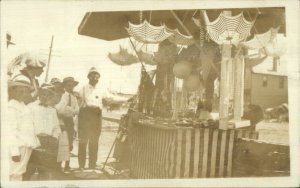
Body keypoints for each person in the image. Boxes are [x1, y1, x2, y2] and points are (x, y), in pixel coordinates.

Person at [24, 83, 62, 180]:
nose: (46, 97)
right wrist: (35, 141)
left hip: (48, 142)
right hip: (34, 141)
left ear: (52, 97)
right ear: (39, 94)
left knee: (46, 170)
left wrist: (54, 137)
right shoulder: (30, 107)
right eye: (44, 94)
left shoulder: (52, 110)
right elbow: (27, 126)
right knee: (28, 170)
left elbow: (56, 127)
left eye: (49, 95)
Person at [7, 75, 40, 181]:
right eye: (19, 91)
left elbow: (30, 127)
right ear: (13, 91)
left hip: (27, 145)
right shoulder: (11, 108)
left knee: (20, 173)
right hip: (17, 146)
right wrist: (14, 151)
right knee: (13, 173)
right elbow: (10, 131)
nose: (22, 94)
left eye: (25, 91)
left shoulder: (23, 106)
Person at [78, 67, 102, 170]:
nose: (95, 78)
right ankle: (81, 165)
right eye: (93, 76)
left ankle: (92, 165)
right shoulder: (82, 89)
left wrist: (128, 99)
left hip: (96, 118)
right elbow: (78, 103)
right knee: (83, 142)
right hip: (85, 117)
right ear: (89, 77)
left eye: (97, 76)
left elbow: (111, 99)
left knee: (94, 142)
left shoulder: (101, 90)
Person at [55, 77, 79, 171]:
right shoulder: (61, 96)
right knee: (61, 142)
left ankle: (67, 164)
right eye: (68, 85)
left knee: (70, 142)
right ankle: (58, 165)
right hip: (61, 120)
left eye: (72, 85)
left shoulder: (74, 97)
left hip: (70, 122)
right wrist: (69, 110)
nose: (70, 87)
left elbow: (77, 110)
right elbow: (59, 110)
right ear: (64, 86)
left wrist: (69, 110)